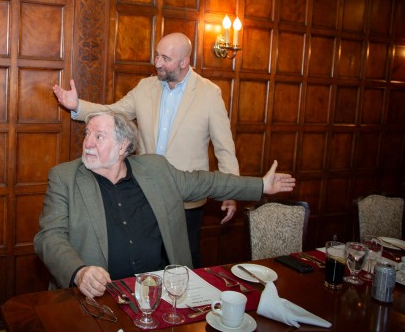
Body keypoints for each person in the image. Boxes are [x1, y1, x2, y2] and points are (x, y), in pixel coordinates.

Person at [34, 111, 295, 299]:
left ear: (123, 146)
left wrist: (261, 186)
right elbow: (49, 237)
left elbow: (207, 182)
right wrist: (79, 272)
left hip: (163, 292)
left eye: (99, 136)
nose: (88, 142)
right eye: (88, 134)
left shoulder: (156, 170)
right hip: (99, 299)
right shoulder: (64, 177)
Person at [53, 32, 239, 267]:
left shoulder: (209, 93)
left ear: (184, 62)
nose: (158, 63)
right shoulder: (145, 87)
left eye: (165, 58)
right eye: (157, 55)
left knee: (183, 263)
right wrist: (77, 106)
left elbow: (224, 147)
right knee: (146, 260)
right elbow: (114, 112)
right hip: (145, 195)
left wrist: (231, 190)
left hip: (185, 200)